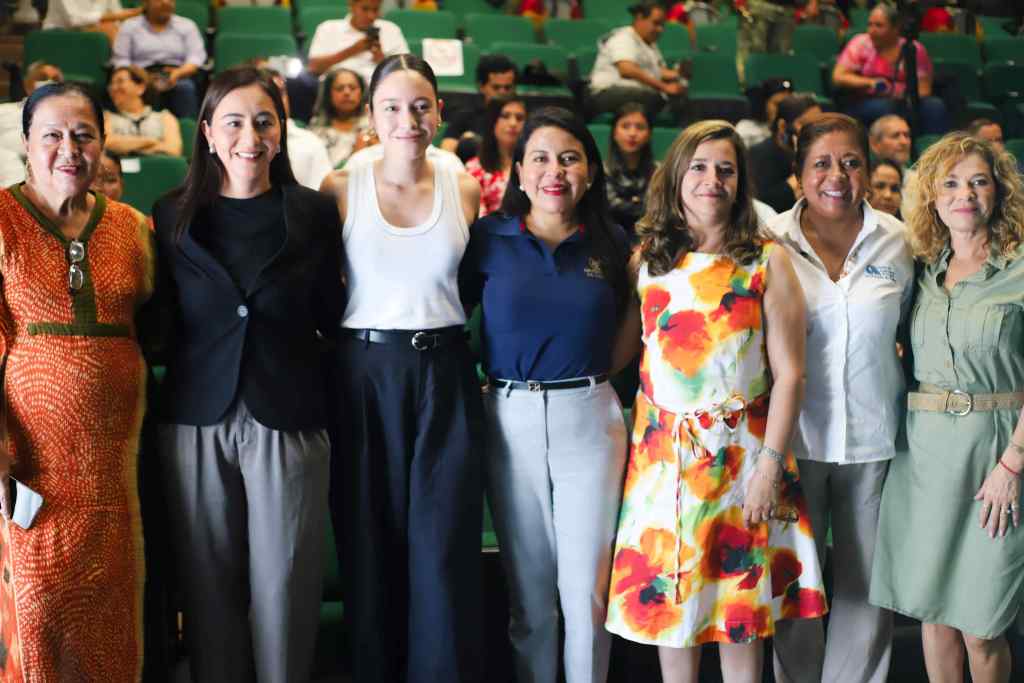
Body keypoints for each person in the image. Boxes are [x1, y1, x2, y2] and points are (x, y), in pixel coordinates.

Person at [604, 119, 827, 682]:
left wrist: (769, 468)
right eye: (699, 167)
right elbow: (618, 356)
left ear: (740, 182)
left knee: (739, 618)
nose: (712, 180)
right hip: (663, 463)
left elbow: (791, 375)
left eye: (726, 170)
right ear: (677, 176)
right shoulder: (647, 260)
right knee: (673, 615)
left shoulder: (767, 260)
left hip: (743, 460)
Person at [151, 66, 345, 683]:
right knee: (208, 585)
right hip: (195, 415)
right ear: (208, 133)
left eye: (265, 122)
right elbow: (162, 318)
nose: (250, 137)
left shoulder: (314, 212)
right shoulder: (171, 214)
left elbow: (332, 311)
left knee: (286, 582)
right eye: (233, 122)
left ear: (281, 133)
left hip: (287, 410)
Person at [319, 53, 484, 683]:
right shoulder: (341, 186)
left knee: (442, 544)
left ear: (438, 112)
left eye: (420, 106)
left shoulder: (462, 187)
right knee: (369, 540)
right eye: (391, 107)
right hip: (365, 371)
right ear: (371, 114)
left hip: (444, 369)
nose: (407, 120)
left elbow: (468, 287)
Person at [460, 106, 629, 683]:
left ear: (590, 171)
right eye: (540, 158)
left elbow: (635, 323)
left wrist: (594, 377)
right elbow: (451, 313)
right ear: (519, 171)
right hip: (510, 418)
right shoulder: (489, 238)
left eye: (569, 158)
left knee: (588, 594)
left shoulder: (612, 242)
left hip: (590, 418)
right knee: (530, 595)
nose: (554, 171)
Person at [0, 81, 154, 681]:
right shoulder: (2, 220)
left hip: (118, 471)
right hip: (29, 470)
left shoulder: (133, 229)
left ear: (103, 143)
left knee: (114, 616)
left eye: (84, 135)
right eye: (53, 136)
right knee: (39, 618)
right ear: (26, 143)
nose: (69, 149)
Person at [870, 131, 1024, 683]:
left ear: (998, 192)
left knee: (982, 627)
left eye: (979, 182)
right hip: (924, 456)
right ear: (933, 197)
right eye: (952, 183)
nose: (966, 194)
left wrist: (1012, 466)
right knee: (934, 616)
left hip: (998, 454)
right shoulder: (919, 271)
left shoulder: (1020, 268)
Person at [768, 112, 914, 683]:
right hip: (792, 441)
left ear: (868, 170)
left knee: (867, 587)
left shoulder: (899, 241)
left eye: (851, 163)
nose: (837, 176)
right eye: (822, 164)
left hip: (874, 439)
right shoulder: (769, 240)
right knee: (796, 586)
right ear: (798, 175)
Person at [832, 2, 949, 134]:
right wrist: (870, 82)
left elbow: (924, 88)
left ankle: (936, 145)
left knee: (935, 106)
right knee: (887, 108)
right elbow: (839, 76)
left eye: (879, 25)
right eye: (870, 24)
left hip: (906, 100)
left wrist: (900, 96)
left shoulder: (913, 48)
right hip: (866, 100)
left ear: (895, 29)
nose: (872, 30)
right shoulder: (860, 43)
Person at [289, 0, 409, 122]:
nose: (371, 16)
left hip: (376, 88)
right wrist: (353, 50)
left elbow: (407, 69)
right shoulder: (329, 28)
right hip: (334, 87)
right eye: (365, 9)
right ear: (352, 5)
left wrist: (381, 59)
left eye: (375, 10)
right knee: (298, 83)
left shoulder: (391, 30)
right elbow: (314, 67)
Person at [588, 1, 687, 123]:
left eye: (662, 25)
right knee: (654, 98)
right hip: (606, 93)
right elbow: (627, 69)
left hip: (633, 91)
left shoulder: (649, 44)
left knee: (678, 98)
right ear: (640, 18)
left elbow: (656, 72)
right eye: (656, 23)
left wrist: (677, 74)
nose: (660, 29)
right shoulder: (623, 37)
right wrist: (665, 87)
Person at [112, 0, 207, 118]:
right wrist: (143, 76)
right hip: (141, 75)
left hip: (178, 74)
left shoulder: (187, 25)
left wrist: (178, 73)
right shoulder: (129, 26)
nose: (165, 2)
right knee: (135, 87)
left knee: (185, 87)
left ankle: (189, 127)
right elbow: (121, 60)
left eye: (170, 0)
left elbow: (196, 58)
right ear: (146, 3)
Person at [749, 93, 822, 213]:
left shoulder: (817, 151)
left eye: (819, 123)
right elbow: (759, 205)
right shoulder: (760, 154)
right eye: (805, 124)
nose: (815, 130)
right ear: (782, 126)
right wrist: (796, 181)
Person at [264, 68, 333, 190]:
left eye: (281, 93)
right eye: (270, 94)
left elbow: (322, 194)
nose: (277, 101)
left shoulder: (310, 142)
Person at [441, 54, 518, 160]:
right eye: (496, 87)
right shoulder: (465, 116)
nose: (502, 92)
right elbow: (446, 154)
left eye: (507, 87)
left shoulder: (519, 119)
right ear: (481, 86)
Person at [0, 61, 63, 186]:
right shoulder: (3, 111)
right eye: (43, 78)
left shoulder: (70, 119)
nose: (49, 82)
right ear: (28, 84)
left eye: (55, 79)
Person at [465, 96, 526, 217]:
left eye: (519, 118)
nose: (513, 123)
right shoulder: (474, 168)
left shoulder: (535, 166)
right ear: (493, 122)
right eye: (505, 116)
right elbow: (478, 218)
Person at [104, 65, 183, 157]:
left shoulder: (165, 117)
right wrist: (150, 141)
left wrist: (126, 147)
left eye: (120, 81)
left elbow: (173, 149)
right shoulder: (106, 117)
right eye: (111, 84)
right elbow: (107, 142)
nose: (113, 88)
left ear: (140, 88)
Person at [604, 102, 656, 238]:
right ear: (614, 133)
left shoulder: (659, 172)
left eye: (640, 127)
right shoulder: (602, 171)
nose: (632, 133)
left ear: (649, 134)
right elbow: (609, 207)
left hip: (648, 238)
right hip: (609, 237)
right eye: (625, 126)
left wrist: (628, 203)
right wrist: (638, 202)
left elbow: (658, 210)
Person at [736, 0, 818, 83]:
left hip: (787, 10)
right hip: (759, 6)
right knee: (754, 55)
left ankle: (777, 87)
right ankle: (750, 86)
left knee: (781, 57)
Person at [308, 67, 371, 168]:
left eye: (353, 88)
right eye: (339, 88)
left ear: (362, 92)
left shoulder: (373, 126)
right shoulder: (316, 129)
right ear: (328, 94)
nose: (347, 93)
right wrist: (356, 153)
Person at [42, 0, 142, 42]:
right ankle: (122, 67)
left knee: (127, 29)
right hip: (58, 34)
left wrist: (135, 13)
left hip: (92, 30)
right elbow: (74, 20)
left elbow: (117, 14)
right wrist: (113, 17)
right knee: (108, 27)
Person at [736, 77, 794, 148]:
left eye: (788, 104)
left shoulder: (793, 128)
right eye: (778, 104)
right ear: (763, 104)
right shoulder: (746, 130)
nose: (784, 109)